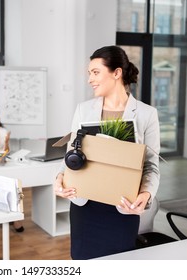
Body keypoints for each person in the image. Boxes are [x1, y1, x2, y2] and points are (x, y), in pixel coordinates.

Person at [53, 45, 160, 259]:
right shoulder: (83, 109)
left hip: (123, 208)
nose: (90, 79)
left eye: (95, 72)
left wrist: (146, 194)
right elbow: (70, 156)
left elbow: (151, 166)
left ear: (117, 73)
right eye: (89, 73)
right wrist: (59, 179)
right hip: (85, 205)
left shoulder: (147, 114)